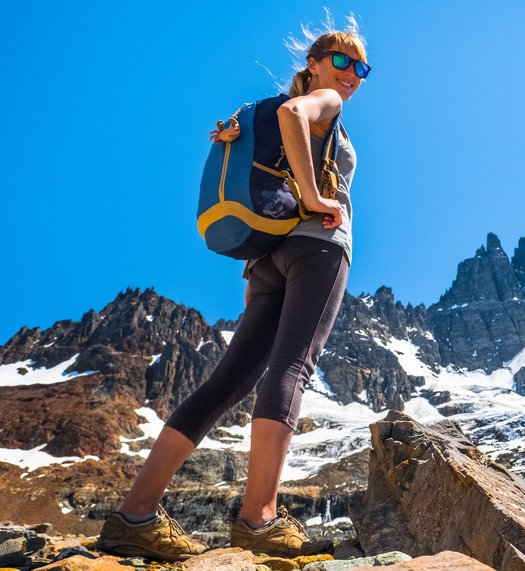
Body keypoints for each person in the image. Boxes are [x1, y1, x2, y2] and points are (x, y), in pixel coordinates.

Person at [96, 24, 371, 561]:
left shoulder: (270, 109)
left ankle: (135, 515)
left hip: (268, 258)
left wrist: (253, 273)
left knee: (226, 383)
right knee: (294, 367)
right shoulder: (319, 102)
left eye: (362, 69)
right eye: (342, 61)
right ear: (315, 63)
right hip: (317, 248)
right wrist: (316, 197)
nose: (351, 76)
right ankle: (260, 519)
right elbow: (297, 119)